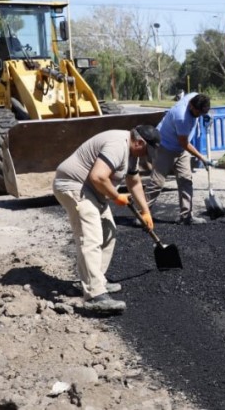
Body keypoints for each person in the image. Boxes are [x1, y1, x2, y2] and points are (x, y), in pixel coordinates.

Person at [52, 124, 160, 313]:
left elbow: (133, 181)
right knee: (91, 237)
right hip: (73, 185)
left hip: (93, 191)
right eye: (146, 150)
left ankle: (95, 280)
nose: (146, 155)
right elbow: (98, 176)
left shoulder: (131, 151)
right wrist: (116, 196)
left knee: (109, 231)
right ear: (139, 142)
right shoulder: (118, 145)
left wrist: (145, 211)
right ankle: (95, 295)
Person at [146, 92, 213, 225]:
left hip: (180, 149)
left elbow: (183, 145)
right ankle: (142, 214)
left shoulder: (195, 96)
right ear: (192, 107)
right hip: (164, 146)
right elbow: (184, 143)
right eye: (199, 113)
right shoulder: (181, 117)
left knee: (185, 180)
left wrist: (207, 115)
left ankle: (186, 216)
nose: (199, 116)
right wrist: (202, 158)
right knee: (157, 183)